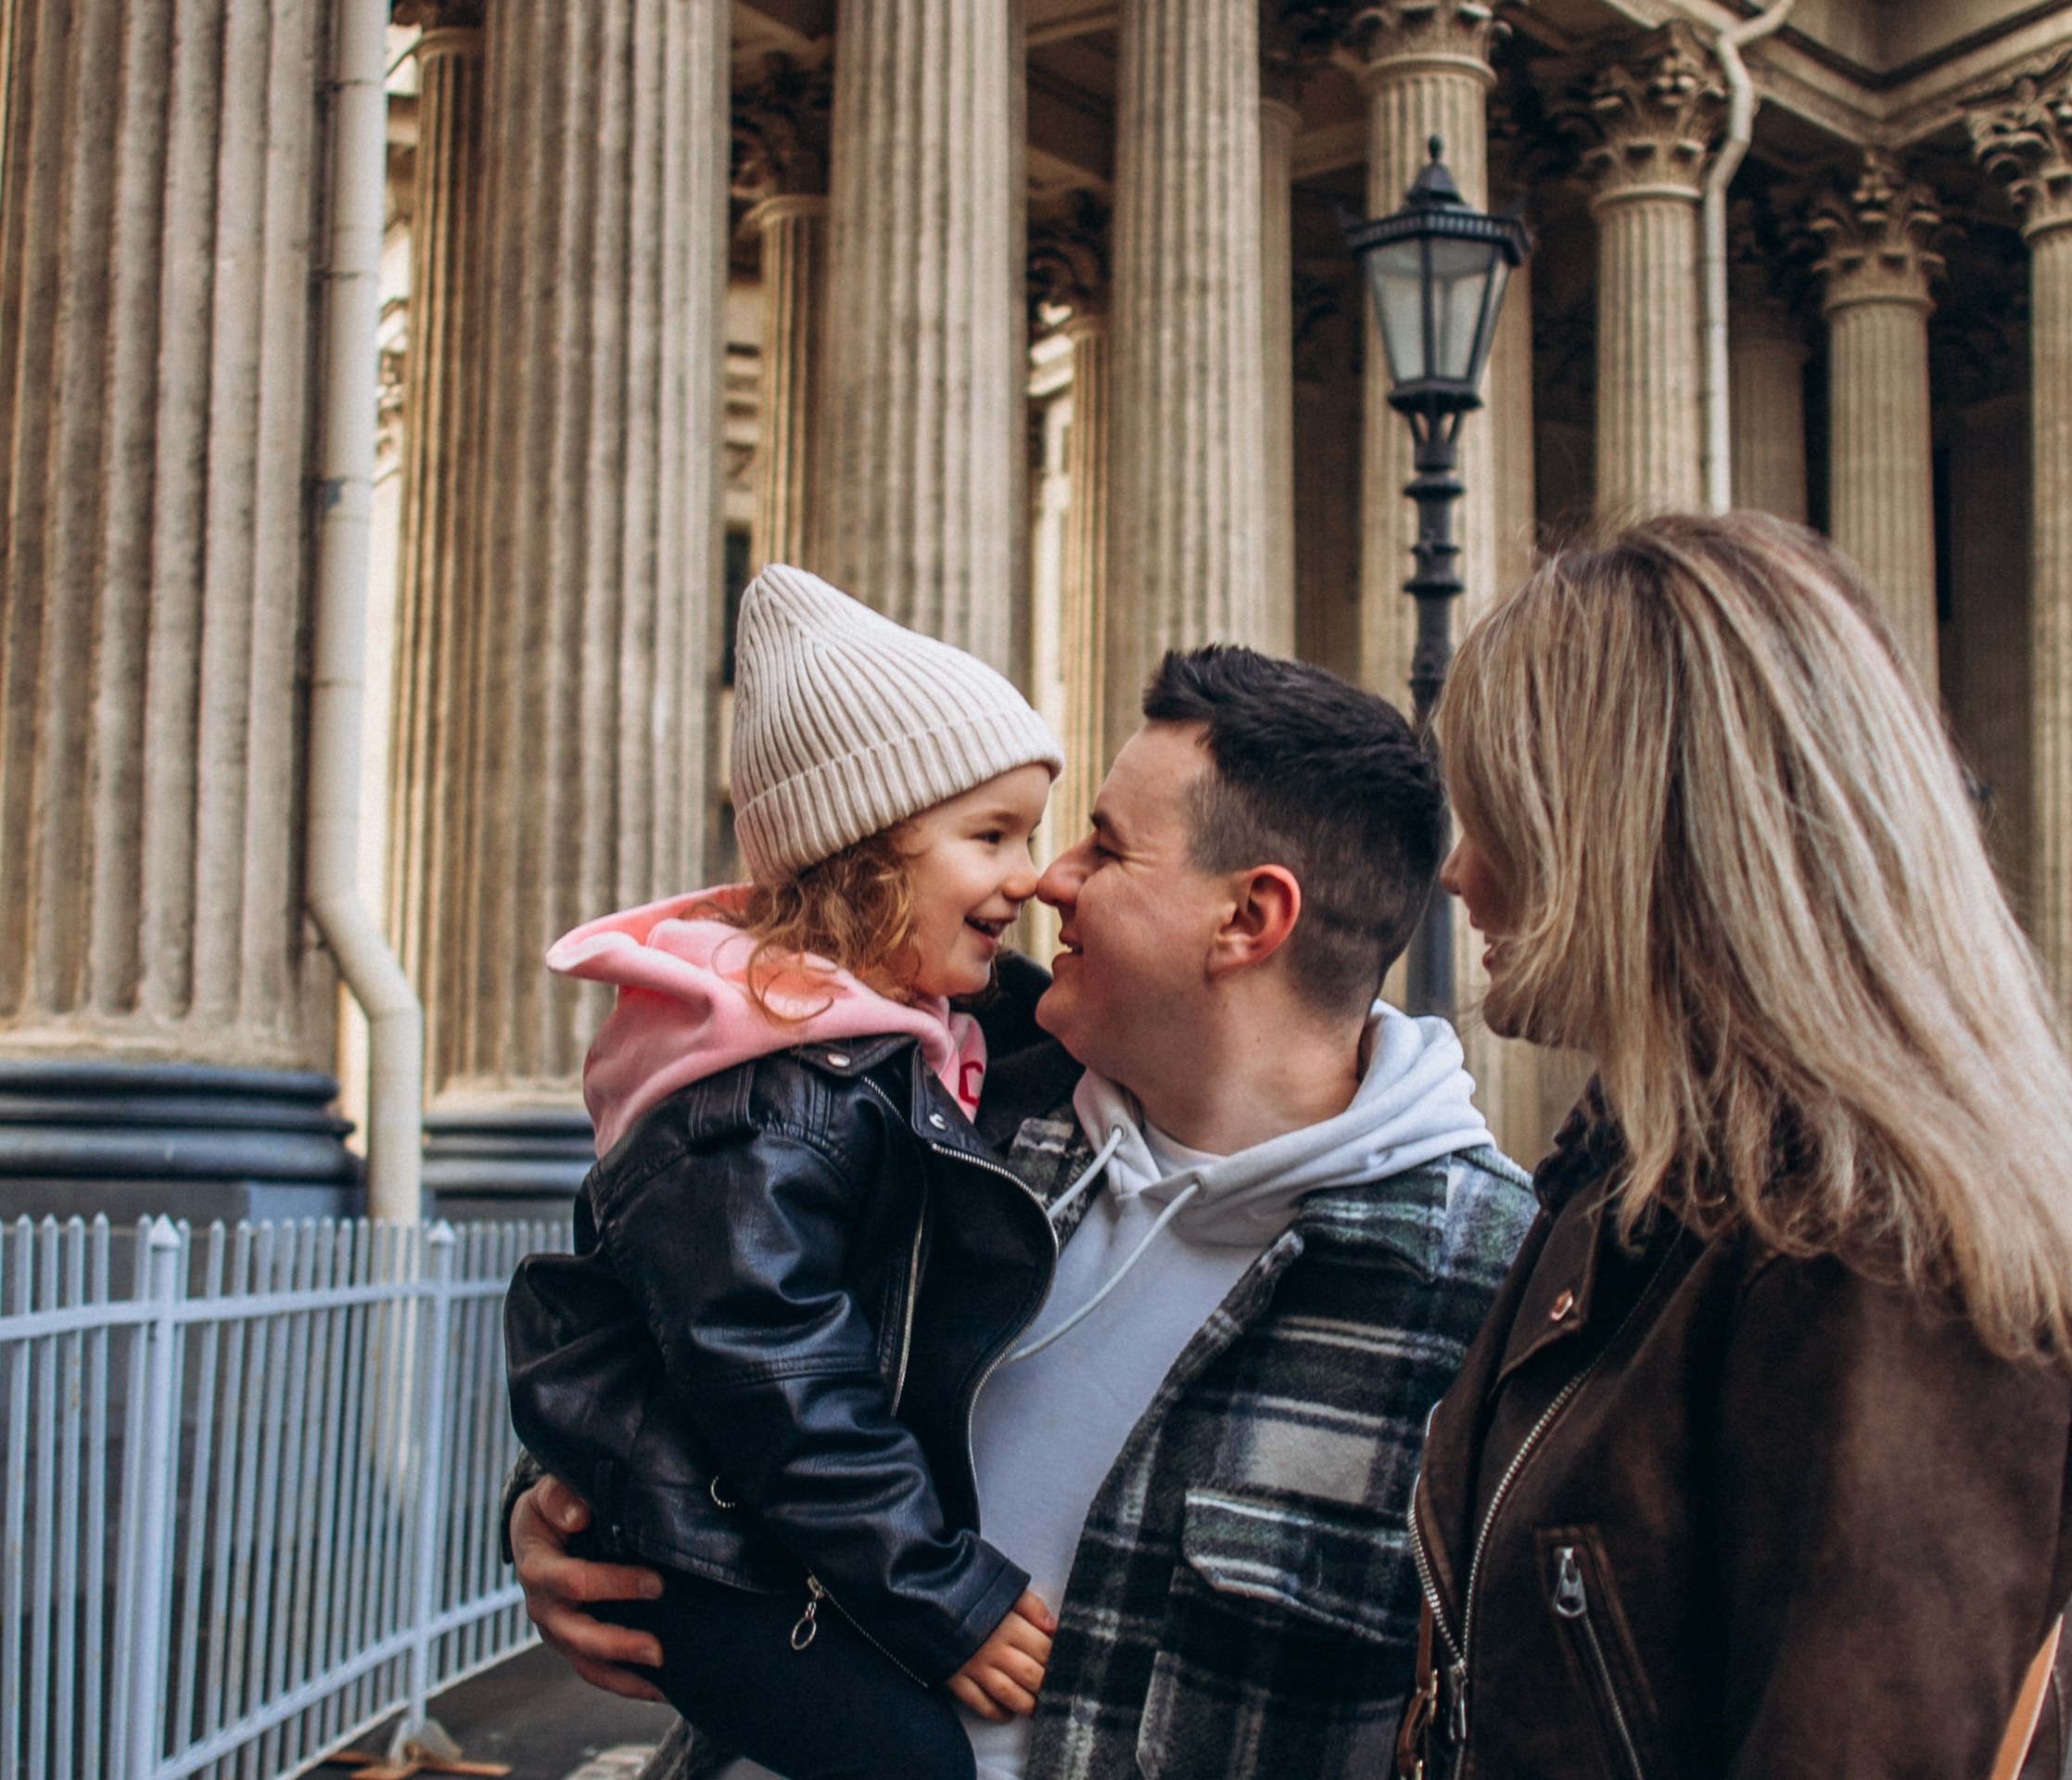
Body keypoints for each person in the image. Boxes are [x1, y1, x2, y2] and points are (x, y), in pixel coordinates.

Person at [508, 646, 1539, 1780]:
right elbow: (708, 1314)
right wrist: (562, 1508)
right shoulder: (940, 1104)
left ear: (1249, 915)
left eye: (1104, 844)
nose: (1052, 879)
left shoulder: (1487, 1291)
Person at [1407, 511, 2072, 1780]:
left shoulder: (1878, 1258)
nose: (1458, 871)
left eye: (1495, 808)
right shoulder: (1627, 1199)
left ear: (1629, 825)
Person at [503, 564, 1066, 1780]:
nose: (1034, 876)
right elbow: (770, 1369)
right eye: (992, 836)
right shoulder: (771, 1090)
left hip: (762, 1540)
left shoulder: (895, 1041)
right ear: (865, 855)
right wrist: (934, 1589)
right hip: (719, 1560)